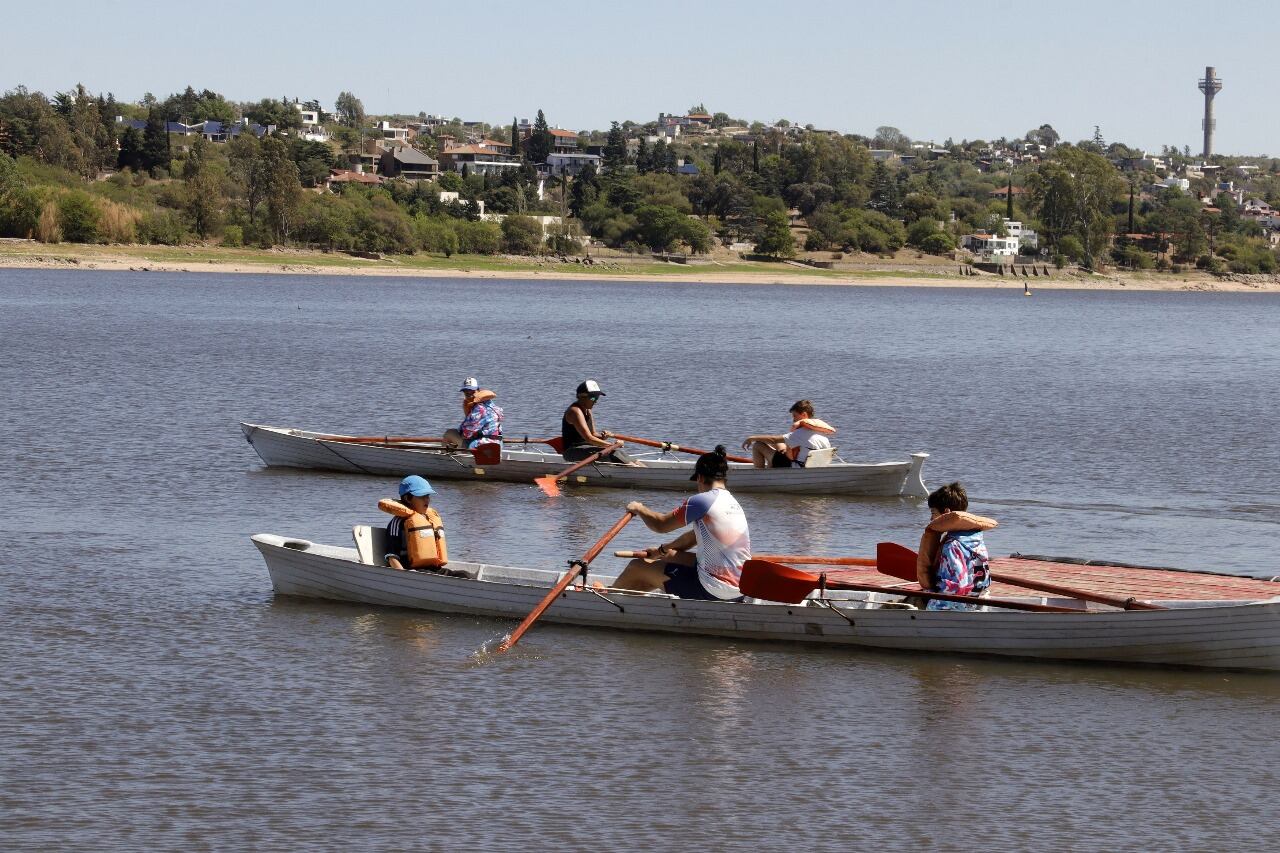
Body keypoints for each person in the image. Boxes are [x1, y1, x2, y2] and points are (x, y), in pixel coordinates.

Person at [610, 446, 750, 600]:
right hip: (740, 588)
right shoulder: (733, 503)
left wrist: (639, 509)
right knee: (669, 559)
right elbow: (691, 538)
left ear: (700, 478)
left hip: (713, 590)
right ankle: (630, 600)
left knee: (636, 566)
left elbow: (660, 525)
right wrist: (663, 551)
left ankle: (606, 600)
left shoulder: (702, 500)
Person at [915, 481, 997, 611]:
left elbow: (957, 586)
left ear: (946, 513)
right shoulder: (975, 539)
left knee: (916, 603)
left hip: (955, 606)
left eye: (933, 513)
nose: (931, 519)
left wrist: (931, 594)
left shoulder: (952, 546)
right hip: (976, 598)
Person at [560, 379, 642, 466]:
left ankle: (644, 469)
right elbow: (589, 438)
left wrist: (603, 436)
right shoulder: (575, 411)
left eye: (597, 398)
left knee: (619, 452)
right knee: (613, 453)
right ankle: (640, 472)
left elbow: (593, 434)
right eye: (593, 398)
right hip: (572, 452)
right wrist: (612, 445)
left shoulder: (588, 410)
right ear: (582, 397)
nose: (595, 401)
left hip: (586, 448)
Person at [380, 475, 449, 572]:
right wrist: (406, 576)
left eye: (428, 496)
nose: (427, 500)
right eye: (422, 496)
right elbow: (391, 557)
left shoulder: (428, 519)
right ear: (408, 498)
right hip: (412, 571)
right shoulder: (397, 522)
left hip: (434, 569)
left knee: (465, 575)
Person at [741, 399, 836, 469]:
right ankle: (770, 467)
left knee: (758, 445)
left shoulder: (801, 433)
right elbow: (776, 440)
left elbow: (773, 439)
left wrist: (751, 438)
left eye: (795, 416)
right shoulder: (822, 433)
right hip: (809, 464)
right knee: (779, 444)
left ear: (804, 415)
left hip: (794, 466)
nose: (793, 419)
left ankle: (759, 477)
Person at [443, 377, 504, 450]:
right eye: (466, 392)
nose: (469, 394)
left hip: (481, 446)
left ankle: (445, 458)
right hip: (497, 444)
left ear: (478, 390)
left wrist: (459, 433)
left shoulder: (478, 409)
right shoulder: (492, 405)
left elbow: (467, 434)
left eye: (471, 391)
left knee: (450, 433)